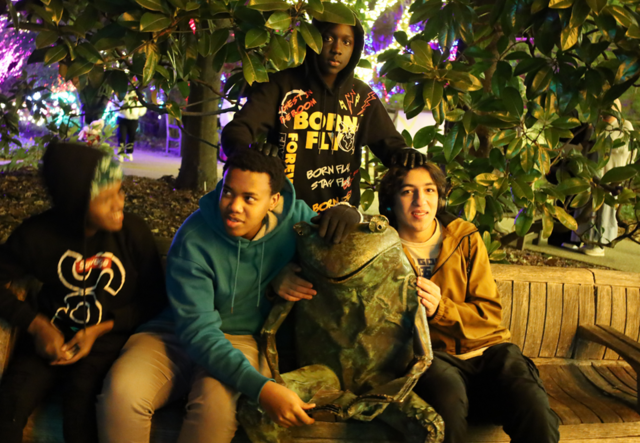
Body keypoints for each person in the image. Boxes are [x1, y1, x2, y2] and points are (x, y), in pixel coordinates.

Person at [97, 148, 361, 443]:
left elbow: (339, 238)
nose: (234, 206)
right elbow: (198, 333)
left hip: (242, 337)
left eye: (249, 198)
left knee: (217, 409)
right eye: (228, 192)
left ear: (274, 201)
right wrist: (263, 389)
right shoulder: (194, 238)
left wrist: (350, 212)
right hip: (175, 333)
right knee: (122, 394)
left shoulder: (295, 221)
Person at [375, 163, 560, 443]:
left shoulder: (464, 237)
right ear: (391, 200)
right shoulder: (380, 247)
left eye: (429, 190)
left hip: (489, 351)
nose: (420, 201)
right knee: (446, 407)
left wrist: (442, 309)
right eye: (407, 191)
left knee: (533, 405)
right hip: (431, 357)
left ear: (440, 196)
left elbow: (489, 313)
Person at [0, 142, 166, 443]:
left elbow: (155, 298)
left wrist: (102, 328)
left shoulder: (133, 233)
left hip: (108, 340)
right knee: (10, 405)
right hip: (51, 335)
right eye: (105, 198)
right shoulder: (36, 236)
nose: (119, 204)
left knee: (81, 410)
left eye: (121, 190)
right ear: (75, 204)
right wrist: (36, 325)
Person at [221, 18, 426, 213]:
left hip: (341, 218)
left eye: (347, 42)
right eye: (328, 38)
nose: (336, 49)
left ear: (355, 49)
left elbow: (390, 146)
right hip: (283, 212)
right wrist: (250, 153)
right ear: (313, 40)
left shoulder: (361, 97)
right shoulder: (282, 86)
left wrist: (405, 154)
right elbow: (238, 130)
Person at [566, 100, 635, 256]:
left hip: (611, 174)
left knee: (605, 210)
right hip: (593, 174)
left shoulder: (625, 127)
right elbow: (586, 147)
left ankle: (600, 243)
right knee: (585, 206)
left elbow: (629, 152)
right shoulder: (596, 126)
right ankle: (582, 239)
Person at [114, 90, 148, 162]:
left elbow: (143, 106)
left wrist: (139, 113)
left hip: (134, 119)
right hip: (122, 118)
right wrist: (118, 110)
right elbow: (115, 103)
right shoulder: (121, 93)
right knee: (121, 137)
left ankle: (129, 152)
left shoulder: (139, 95)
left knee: (131, 137)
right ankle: (121, 153)